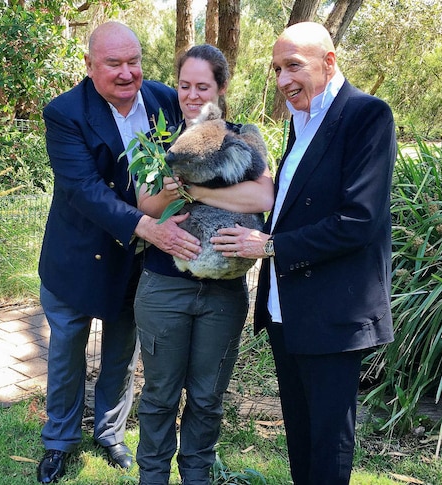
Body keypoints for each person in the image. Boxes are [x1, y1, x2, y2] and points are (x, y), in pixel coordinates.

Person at [211, 22, 397, 484]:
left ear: (329, 62)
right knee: (299, 432)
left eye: (293, 65)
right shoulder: (301, 119)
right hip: (286, 308)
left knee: (329, 440)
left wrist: (270, 246)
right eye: (277, 68)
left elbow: (360, 220)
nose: (282, 80)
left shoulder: (366, 115)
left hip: (334, 310)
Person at [37, 21, 202, 484]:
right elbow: (83, 189)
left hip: (138, 260)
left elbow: (195, 156)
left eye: (134, 61)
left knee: (122, 350)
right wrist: (148, 226)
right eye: (114, 64)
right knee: (67, 351)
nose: (128, 73)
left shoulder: (167, 100)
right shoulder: (65, 112)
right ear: (90, 66)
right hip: (77, 256)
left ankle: (110, 433)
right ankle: (59, 440)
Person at [133, 44, 274, 485]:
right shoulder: (160, 138)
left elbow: (262, 198)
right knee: (158, 395)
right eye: (184, 85)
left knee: (209, 397)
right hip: (164, 284)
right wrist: (178, 186)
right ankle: (152, 477)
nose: (192, 95)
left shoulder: (243, 135)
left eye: (202, 86)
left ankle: (198, 476)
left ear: (221, 87)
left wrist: (193, 187)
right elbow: (146, 204)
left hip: (224, 291)